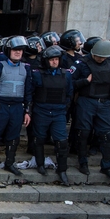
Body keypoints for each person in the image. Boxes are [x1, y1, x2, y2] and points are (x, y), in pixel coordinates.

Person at [69, 40, 110, 185]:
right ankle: (83, 162)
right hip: (86, 100)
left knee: (107, 134)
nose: (101, 59)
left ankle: (107, 165)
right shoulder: (82, 63)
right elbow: (70, 82)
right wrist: (85, 81)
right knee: (83, 132)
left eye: (103, 57)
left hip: (104, 101)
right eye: (99, 56)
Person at [0, 36, 33, 176]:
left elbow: (29, 91)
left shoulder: (26, 68)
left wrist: (28, 111)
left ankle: (9, 163)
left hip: (17, 106)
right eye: (15, 50)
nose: (18, 53)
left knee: (14, 136)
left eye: (20, 50)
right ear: (8, 51)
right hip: (1, 105)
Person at [30, 46, 72, 185]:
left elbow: (69, 93)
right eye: (52, 60)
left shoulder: (66, 74)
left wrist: (64, 107)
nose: (54, 62)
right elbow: (31, 92)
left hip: (59, 112)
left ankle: (62, 170)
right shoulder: (37, 74)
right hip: (41, 111)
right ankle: (40, 164)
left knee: (62, 142)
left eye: (56, 59)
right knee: (40, 139)